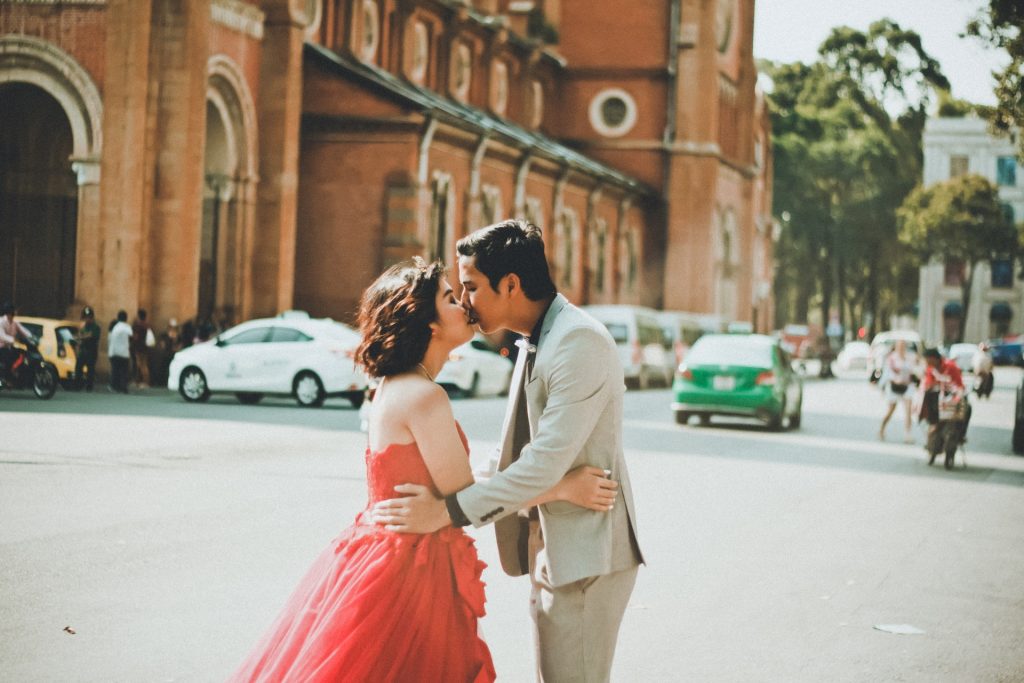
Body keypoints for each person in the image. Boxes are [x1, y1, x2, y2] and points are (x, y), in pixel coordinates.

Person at [228, 259, 616, 682]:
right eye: (451, 297)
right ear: (428, 324)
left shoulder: (393, 387)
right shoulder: (425, 397)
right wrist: (564, 488)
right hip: (411, 573)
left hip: (380, 556)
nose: (465, 304)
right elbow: (465, 496)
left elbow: (452, 488)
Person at [372, 220, 644, 682]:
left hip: (587, 554)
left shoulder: (578, 341)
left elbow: (540, 465)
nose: (466, 302)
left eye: (472, 287)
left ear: (511, 284)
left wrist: (447, 512)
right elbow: (506, 456)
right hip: (549, 545)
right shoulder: (534, 339)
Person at [878, 340, 915, 443]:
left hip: (906, 387)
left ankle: (908, 434)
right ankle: (882, 429)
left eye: (903, 346)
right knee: (891, 410)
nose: (902, 348)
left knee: (908, 410)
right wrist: (894, 380)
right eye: (900, 346)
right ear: (896, 347)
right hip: (894, 387)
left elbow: (911, 371)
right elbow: (887, 374)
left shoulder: (908, 358)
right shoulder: (891, 358)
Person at [0, 301, 34, 385]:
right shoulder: (1, 322)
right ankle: (7, 378)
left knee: (22, 353)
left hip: (9, 346)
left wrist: (31, 337)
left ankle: (15, 372)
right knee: (8, 359)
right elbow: (2, 336)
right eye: (13, 311)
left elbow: (23, 330)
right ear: (9, 312)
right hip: (1, 347)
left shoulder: (14, 323)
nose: (15, 312)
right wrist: (12, 339)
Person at [75, 306, 101, 392]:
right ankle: (78, 385)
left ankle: (89, 387)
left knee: (90, 370)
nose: (87, 319)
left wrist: (81, 337)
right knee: (78, 368)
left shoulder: (96, 327)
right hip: (83, 350)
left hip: (91, 351)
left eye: (88, 317)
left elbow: (91, 336)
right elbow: (79, 337)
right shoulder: (83, 327)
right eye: (85, 317)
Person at [108, 310, 132, 393]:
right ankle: (123, 387)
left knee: (115, 371)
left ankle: (114, 386)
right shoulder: (127, 327)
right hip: (124, 353)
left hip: (114, 352)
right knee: (124, 372)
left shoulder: (115, 327)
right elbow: (131, 336)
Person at [130, 308, 153, 387]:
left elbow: (135, 337)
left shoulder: (138, 326)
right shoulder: (147, 325)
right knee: (143, 365)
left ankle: (145, 382)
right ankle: (143, 381)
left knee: (141, 365)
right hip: (145, 347)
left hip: (139, 347)